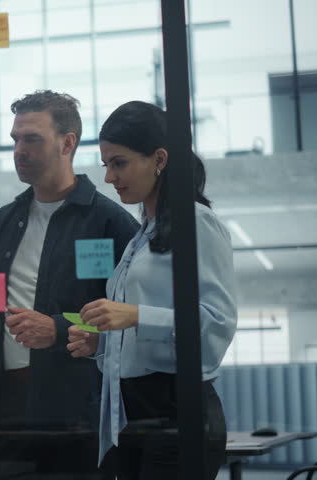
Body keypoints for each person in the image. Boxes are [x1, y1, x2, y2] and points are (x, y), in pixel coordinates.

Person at [0, 90, 139, 479]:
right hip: (8, 406)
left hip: (77, 412)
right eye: (15, 139)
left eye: (32, 138)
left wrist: (60, 329)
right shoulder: (0, 223)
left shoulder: (110, 224)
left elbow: (133, 327)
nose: (19, 149)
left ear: (68, 143)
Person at [67, 100, 237, 479]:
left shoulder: (198, 223)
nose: (110, 178)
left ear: (159, 159)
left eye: (119, 163)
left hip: (178, 410)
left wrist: (136, 316)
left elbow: (217, 325)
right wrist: (102, 344)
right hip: (134, 413)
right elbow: (146, 336)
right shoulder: (143, 235)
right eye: (106, 165)